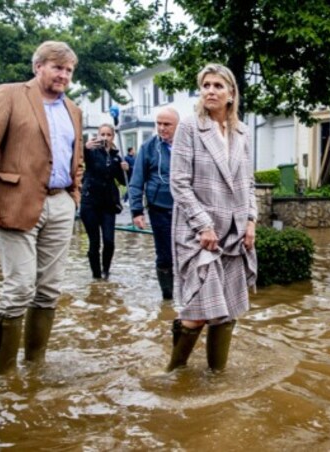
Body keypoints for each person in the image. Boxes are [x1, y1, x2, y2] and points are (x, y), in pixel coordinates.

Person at [0, 41, 83, 376]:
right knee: (19, 286)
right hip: (14, 202)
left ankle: (35, 367)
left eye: (68, 70)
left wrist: (75, 195)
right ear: (38, 67)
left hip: (61, 203)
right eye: (57, 67)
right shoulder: (10, 94)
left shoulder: (73, 110)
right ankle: (5, 377)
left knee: (48, 289)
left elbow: (78, 160)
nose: (63, 75)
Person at [166, 63, 257, 372]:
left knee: (228, 310)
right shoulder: (190, 127)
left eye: (218, 86)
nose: (210, 91)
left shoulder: (242, 132)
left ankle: (216, 376)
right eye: (206, 85)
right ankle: (173, 374)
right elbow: (178, 182)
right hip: (199, 233)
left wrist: (251, 221)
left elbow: (249, 182)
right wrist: (203, 224)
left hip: (234, 234)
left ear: (231, 94)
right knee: (197, 310)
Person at [128, 107, 179, 299]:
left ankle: (187, 293)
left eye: (167, 124)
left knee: (185, 251)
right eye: (159, 123)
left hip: (185, 209)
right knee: (165, 254)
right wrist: (136, 210)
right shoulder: (148, 147)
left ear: (177, 125)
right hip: (159, 208)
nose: (162, 128)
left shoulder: (188, 145)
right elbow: (137, 180)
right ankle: (168, 296)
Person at [80, 124, 129, 279]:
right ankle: (96, 276)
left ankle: (105, 271)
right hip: (90, 203)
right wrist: (84, 148)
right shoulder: (91, 152)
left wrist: (126, 169)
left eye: (108, 135)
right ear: (98, 135)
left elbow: (122, 181)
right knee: (94, 242)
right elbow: (77, 159)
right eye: (103, 134)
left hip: (108, 204)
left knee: (109, 241)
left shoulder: (116, 156)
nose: (105, 138)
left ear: (113, 137)